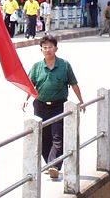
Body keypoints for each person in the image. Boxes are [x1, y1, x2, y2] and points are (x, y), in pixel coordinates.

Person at [23, 35, 85, 180]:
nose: (48, 50)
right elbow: (30, 85)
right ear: (41, 50)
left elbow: (74, 83)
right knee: (43, 137)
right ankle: (51, 165)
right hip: (40, 105)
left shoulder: (64, 65)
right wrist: (25, 99)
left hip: (58, 105)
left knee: (58, 136)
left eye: (50, 47)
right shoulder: (37, 67)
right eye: (45, 47)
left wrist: (81, 100)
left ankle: (54, 166)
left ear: (56, 49)